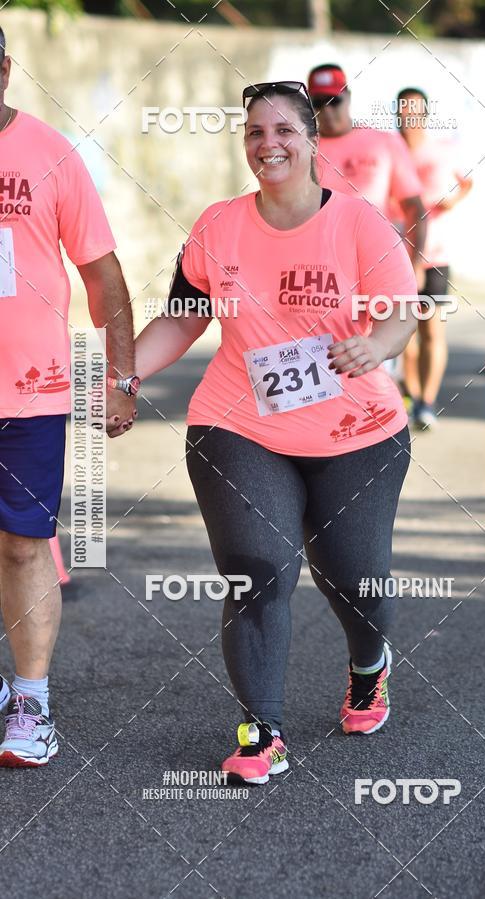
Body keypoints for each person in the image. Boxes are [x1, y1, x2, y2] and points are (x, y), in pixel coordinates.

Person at [135, 81, 419, 785]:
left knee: (353, 576)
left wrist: (375, 345)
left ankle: (368, 661)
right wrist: (124, 374)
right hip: (238, 423)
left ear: (311, 139)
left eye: (284, 130)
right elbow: (183, 315)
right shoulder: (219, 225)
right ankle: (262, 730)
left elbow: (403, 310)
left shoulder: (357, 224)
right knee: (258, 569)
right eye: (255, 133)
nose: (269, 145)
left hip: (356, 430)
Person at [0, 26, 137, 767]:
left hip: (30, 390)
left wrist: (119, 377)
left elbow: (102, 274)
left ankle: (31, 703)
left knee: (24, 544)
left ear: (6, 69)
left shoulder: (52, 154)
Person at [392, 87, 472, 429]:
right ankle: (409, 396)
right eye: (404, 111)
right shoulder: (388, 150)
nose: (410, 118)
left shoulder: (443, 150)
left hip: (435, 256)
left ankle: (427, 401)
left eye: (416, 111)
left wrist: (453, 199)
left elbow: (466, 183)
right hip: (392, 256)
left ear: (425, 114)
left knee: (431, 332)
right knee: (402, 338)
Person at [307, 64, 426, 284]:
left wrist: (415, 263)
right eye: (319, 103)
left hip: (378, 264)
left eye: (335, 101)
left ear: (348, 97)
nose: (328, 111)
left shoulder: (385, 142)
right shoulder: (301, 150)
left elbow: (414, 207)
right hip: (321, 269)